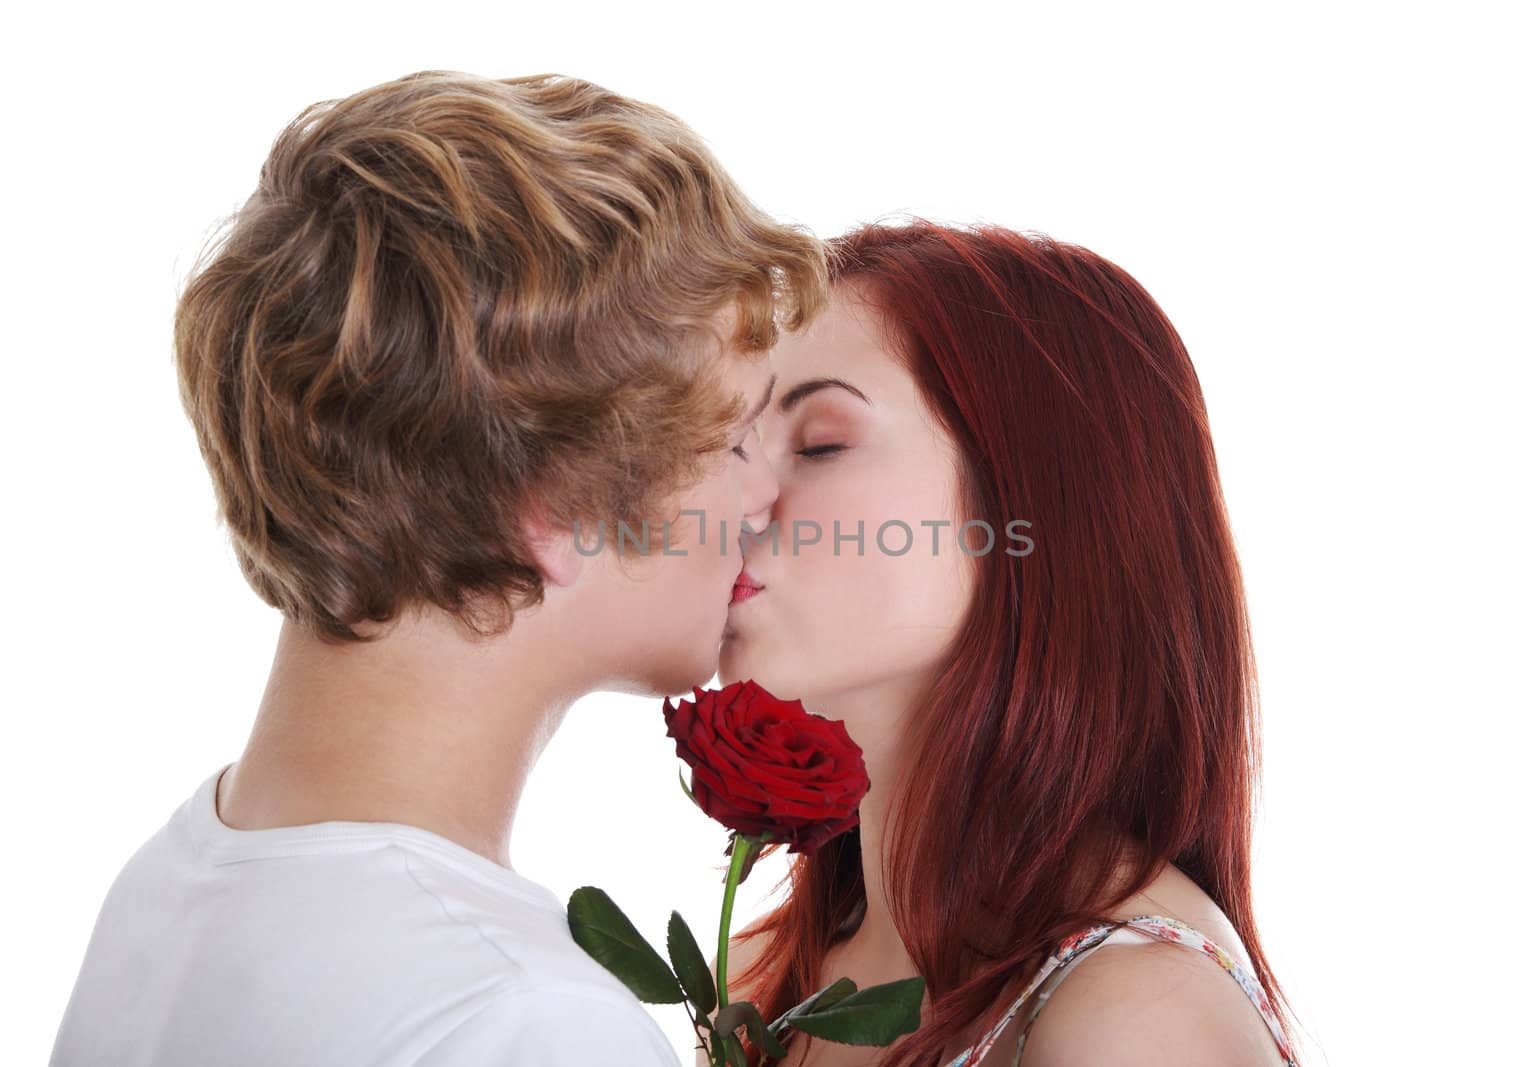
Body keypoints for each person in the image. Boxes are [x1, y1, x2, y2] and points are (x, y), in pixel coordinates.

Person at [50, 69, 827, 1066]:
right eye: (729, 441)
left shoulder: (172, 878)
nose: (768, 493)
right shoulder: (519, 1018)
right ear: (552, 503)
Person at [714, 219, 1304, 1066]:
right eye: (731, 441)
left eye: (820, 442)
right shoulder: (759, 979)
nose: (732, 492)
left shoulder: (1135, 1014)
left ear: (1035, 503)